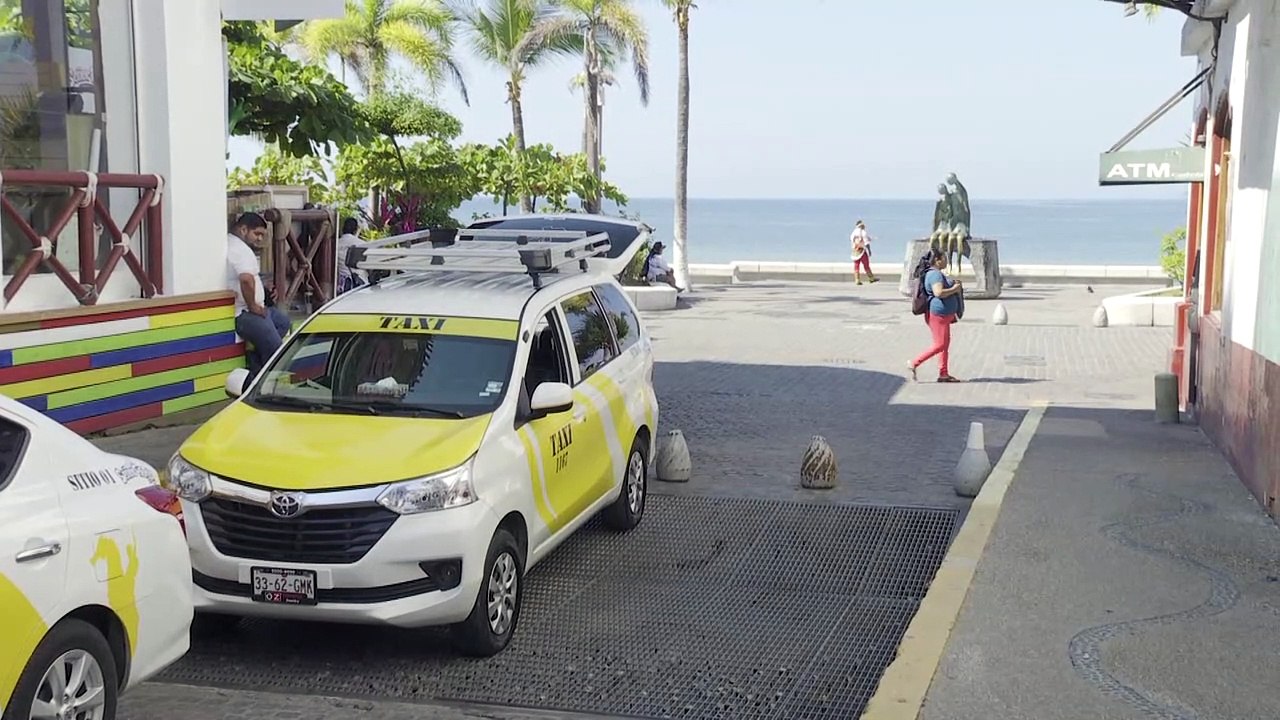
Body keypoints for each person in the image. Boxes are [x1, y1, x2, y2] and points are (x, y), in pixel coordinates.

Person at [228, 212, 292, 377]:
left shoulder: (236, 246)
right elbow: (246, 280)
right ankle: (264, 379)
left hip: (255, 309)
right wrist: (253, 307)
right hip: (244, 313)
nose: (259, 239)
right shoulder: (240, 249)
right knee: (275, 348)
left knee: (283, 322)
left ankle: (256, 356)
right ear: (243, 229)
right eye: (257, 234)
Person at [908, 250, 963, 383]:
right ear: (937, 260)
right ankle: (914, 363)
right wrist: (955, 289)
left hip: (944, 315)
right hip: (938, 315)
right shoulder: (935, 275)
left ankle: (943, 374)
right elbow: (938, 293)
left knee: (944, 344)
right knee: (940, 344)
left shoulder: (935, 273)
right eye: (944, 258)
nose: (946, 261)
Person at [335, 217, 368, 294]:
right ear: (355, 230)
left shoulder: (336, 244)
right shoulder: (362, 244)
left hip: (341, 284)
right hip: (359, 282)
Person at [850, 220, 878, 284]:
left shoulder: (853, 232)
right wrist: (869, 250)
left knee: (856, 265)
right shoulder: (863, 232)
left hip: (855, 251)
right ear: (862, 226)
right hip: (861, 251)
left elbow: (852, 240)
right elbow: (866, 243)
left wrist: (870, 238)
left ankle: (857, 280)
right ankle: (871, 278)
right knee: (866, 265)